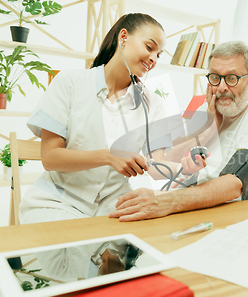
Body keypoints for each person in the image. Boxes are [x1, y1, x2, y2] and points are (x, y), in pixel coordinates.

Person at [19, 13, 205, 224]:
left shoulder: (153, 103)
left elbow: (156, 166)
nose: (153, 59)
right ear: (123, 37)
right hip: (58, 202)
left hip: (115, 205)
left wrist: (186, 168)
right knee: (74, 252)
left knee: (145, 250)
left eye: (159, 55)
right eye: (149, 47)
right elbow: (50, 158)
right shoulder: (70, 82)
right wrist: (108, 156)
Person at [109, 40, 248, 222]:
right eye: (215, 77)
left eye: (232, 78)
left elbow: (235, 181)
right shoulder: (207, 111)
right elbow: (160, 162)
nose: (221, 87)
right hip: (217, 216)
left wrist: (166, 201)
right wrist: (207, 132)